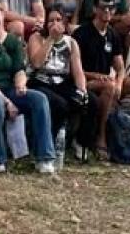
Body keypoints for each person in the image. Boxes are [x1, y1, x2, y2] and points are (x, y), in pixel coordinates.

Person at [0, 0, 58, 174]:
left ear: (2, 15)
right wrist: (7, 102)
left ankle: (44, 158)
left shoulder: (13, 41)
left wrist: (21, 84)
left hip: (9, 88)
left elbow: (19, 69)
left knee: (39, 99)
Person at [72, 0, 130, 161]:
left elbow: (120, 67)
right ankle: (101, 138)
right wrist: (96, 76)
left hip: (108, 81)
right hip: (85, 82)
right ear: (95, 9)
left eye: (111, 8)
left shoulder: (112, 34)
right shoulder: (81, 34)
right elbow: (73, 70)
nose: (107, 11)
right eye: (103, 7)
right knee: (109, 86)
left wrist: (120, 82)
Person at [26, 8, 90, 156]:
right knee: (59, 104)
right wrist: (50, 39)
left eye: (58, 20)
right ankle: (50, 143)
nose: (54, 23)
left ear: (64, 23)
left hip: (62, 82)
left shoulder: (71, 42)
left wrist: (83, 90)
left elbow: (78, 71)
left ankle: (80, 143)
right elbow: (36, 63)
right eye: (51, 20)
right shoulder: (36, 38)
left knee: (89, 101)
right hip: (40, 80)